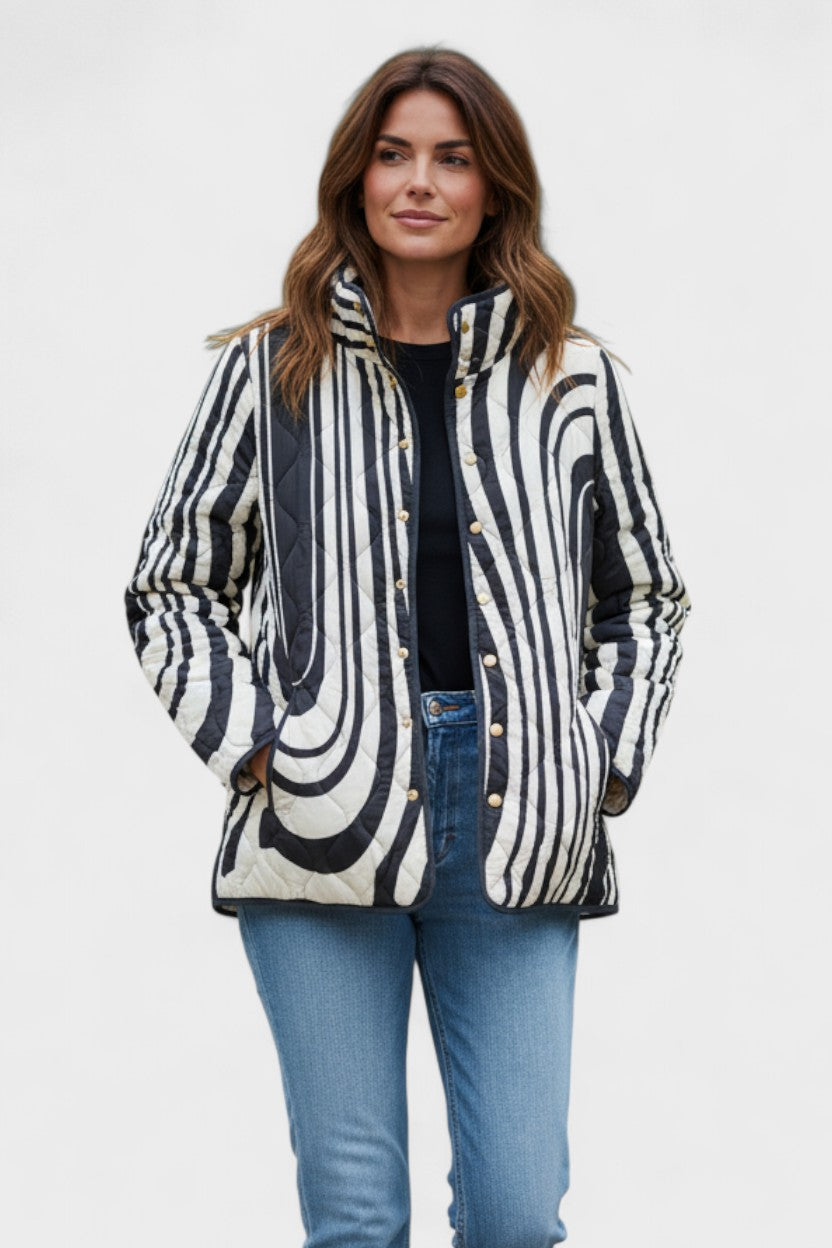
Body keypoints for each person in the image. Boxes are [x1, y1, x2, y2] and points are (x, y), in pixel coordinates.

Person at [124, 44, 692, 1248]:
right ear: (356, 177)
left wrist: (596, 759)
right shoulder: (269, 372)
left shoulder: (572, 379)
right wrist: (262, 749)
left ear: (495, 187)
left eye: (452, 157)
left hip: (516, 820)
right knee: (355, 1218)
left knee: (515, 1213)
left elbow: (644, 599)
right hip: (319, 820)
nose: (419, 182)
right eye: (392, 155)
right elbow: (173, 585)